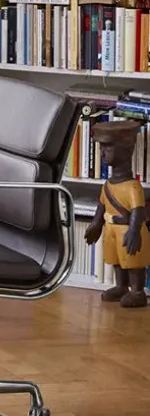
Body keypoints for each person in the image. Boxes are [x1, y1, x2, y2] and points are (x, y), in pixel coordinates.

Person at [85, 119, 150, 308]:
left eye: (108, 147)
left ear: (125, 151)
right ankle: (121, 286)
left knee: (133, 261)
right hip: (111, 229)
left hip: (127, 229)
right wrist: (96, 224)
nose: (102, 153)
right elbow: (101, 206)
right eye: (101, 148)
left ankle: (137, 291)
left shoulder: (132, 186)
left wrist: (134, 231)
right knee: (116, 259)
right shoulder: (108, 184)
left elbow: (138, 210)